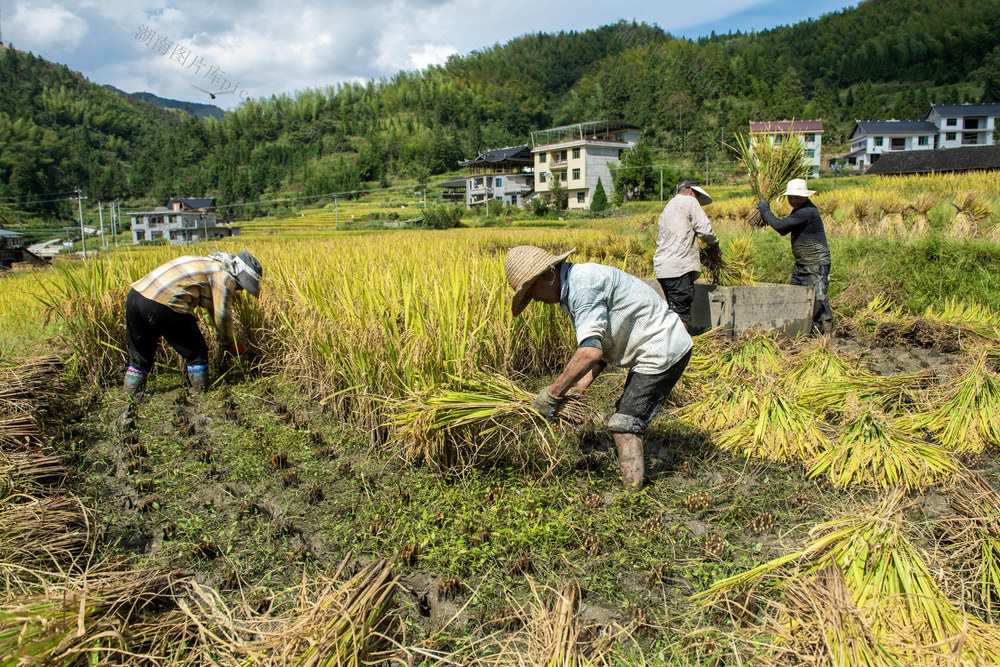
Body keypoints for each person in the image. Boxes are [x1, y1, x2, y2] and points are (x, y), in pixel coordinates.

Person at [504, 245, 692, 492]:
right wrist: (577, 391)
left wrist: (552, 394)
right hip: (653, 347)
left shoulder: (583, 287)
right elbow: (599, 346)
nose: (535, 299)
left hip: (663, 348)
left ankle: (633, 494)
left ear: (547, 275)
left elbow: (590, 352)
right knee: (625, 413)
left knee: (624, 423)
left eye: (531, 290)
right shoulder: (577, 283)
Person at [123, 250, 263, 397]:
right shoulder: (224, 276)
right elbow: (222, 315)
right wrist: (231, 343)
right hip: (164, 303)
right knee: (197, 352)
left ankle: (131, 394)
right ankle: (200, 393)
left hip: (136, 296)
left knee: (141, 354)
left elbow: (213, 310)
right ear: (239, 275)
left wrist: (225, 337)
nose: (241, 289)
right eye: (243, 285)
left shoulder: (210, 264)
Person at [756, 179, 833, 335]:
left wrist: (765, 211)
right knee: (796, 297)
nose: (793, 201)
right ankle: (802, 330)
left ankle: (827, 334)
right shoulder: (799, 211)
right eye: (790, 197)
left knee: (819, 299)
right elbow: (784, 229)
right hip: (802, 264)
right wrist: (767, 214)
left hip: (815, 263)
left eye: (797, 197)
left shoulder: (807, 211)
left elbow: (780, 226)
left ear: (805, 196)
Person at [653, 178, 721, 330]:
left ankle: (673, 342)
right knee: (681, 316)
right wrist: (714, 245)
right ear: (691, 191)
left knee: (674, 312)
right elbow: (705, 231)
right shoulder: (690, 201)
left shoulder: (669, 206)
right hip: (679, 268)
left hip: (663, 268)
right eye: (697, 195)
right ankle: (681, 344)